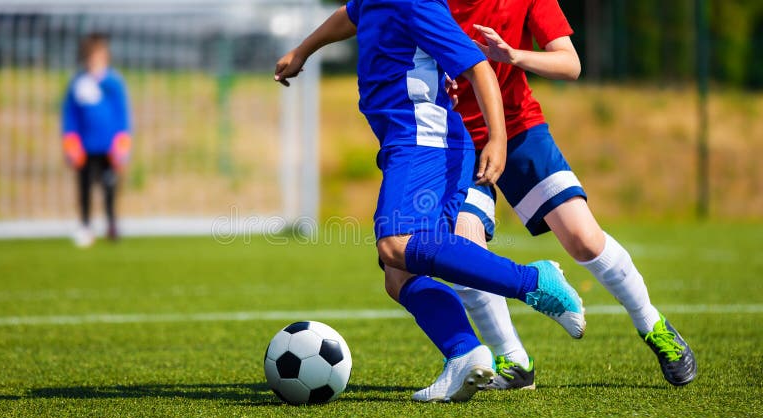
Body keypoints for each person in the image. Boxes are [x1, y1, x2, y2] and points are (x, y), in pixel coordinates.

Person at [274, 0, 696, 389]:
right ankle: (511, 361)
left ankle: (652, 325)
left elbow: (567, 64)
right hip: (455, 136)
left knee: (582, 238)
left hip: (512, 129)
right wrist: (303, 50)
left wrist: (512, 59)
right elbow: (353, 13)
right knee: (437, 256)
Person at [62, 33, 132, 247]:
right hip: (86, 147)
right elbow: (70, 115)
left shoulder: (114, 82)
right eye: (92, 55)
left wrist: (122, 142)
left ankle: (112, 223)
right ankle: (85, 225)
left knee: (110, 187)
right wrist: (71, 142)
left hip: (108, 147)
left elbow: (122, 115)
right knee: (84, 188)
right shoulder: (78, 82)